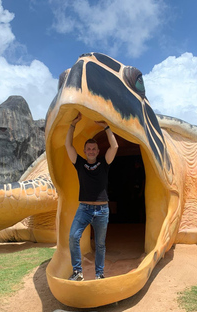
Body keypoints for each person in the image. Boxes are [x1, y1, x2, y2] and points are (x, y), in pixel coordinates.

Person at [65, 112, 119, 281]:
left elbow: (115, 147)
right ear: (85, 151)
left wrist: (106, 128)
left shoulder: (104, 163)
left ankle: (99, 274)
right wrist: (72, 125)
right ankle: (78, 272)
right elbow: (68, 145)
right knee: (73, 237)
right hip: (84, 209)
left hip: (102, 210)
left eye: (93, 148)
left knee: (100, 245)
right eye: (88, 149)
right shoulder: (79, 163)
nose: (91, 151)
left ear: (97, 151)